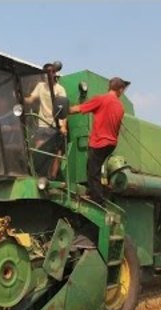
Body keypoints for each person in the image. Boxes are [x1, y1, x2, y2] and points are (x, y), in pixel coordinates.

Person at [69, 77, 130, 205]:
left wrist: (65, 110)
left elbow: (80, 108)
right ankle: (100, 192)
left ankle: (97, 198)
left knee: (92, 170)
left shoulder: (101, 99)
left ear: (109, 87)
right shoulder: (120, 106)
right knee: (96, 168)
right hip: (111, 143)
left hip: (99, 142)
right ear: (120, 89)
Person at [25, 62, 68, 146]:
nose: (48, 75)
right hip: (42, 124)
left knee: (54, 152)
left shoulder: (60, 89)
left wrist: (63, 126)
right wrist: (18, 97)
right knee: (39, 150)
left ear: (54, 74)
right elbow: (30, 100)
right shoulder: (40, 86)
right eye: (45, 73)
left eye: (51, 72)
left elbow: (64, 109)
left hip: (56, 125)